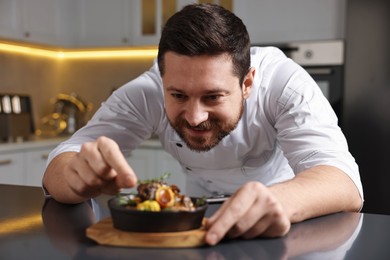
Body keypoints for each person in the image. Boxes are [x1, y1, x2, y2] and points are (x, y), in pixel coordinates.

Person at [43, 3, 363, 246]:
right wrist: (74, 175)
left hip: (285, 217)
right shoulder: (146, 91)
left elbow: (343, 181)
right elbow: (64, 159)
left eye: (213, 97)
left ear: (247, 83)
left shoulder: (285, 83)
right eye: (178, 95)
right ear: (162, 79)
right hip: (195, 219)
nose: (195, 117)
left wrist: (281, 200)